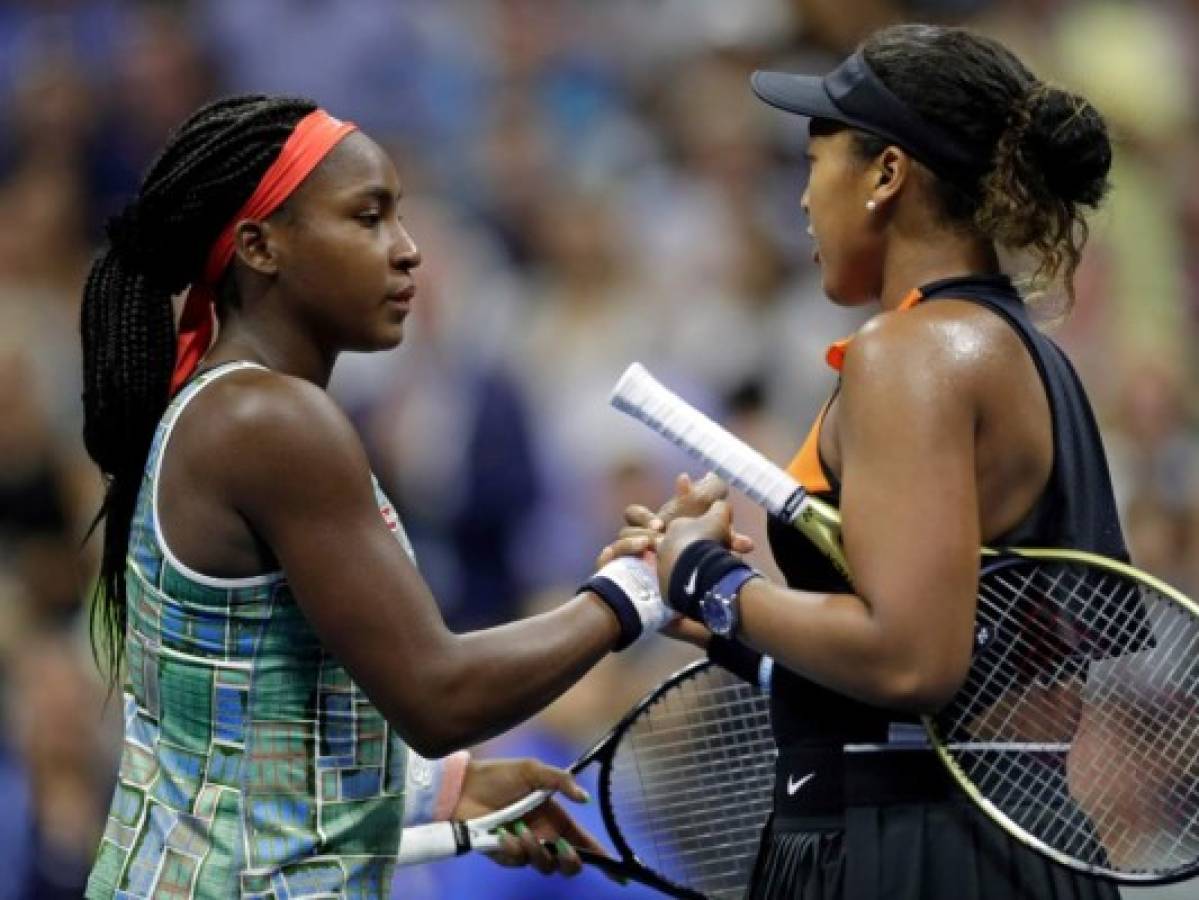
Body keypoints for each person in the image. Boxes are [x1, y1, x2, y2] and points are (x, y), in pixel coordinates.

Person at [77, 95, 700, 898]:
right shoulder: (272, 421)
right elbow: (439, 693)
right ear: (261, 246)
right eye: (367, 219)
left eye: (399, 218)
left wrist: (446, 789)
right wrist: (638, 589)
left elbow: (238, 731)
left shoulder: (231, 407)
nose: (407, 251)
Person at [615, 23, 1125, 900]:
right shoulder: (1016, 352)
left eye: (816, 165)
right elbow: (952, 679)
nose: (803, 202)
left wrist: (703, 575)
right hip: (983, 845)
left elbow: (910, 660)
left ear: (887, 174)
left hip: (911, 853)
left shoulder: (910, 352)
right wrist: (731, 626)